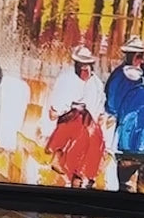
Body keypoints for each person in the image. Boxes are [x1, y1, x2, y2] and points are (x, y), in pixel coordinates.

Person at [105, 36, 144, 192]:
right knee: (125, 182)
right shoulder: (119, 76)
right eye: (138, 56)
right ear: (130, 56)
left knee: (142, 182)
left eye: (141, 56)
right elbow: (111, 103)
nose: (140, 60)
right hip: (127, 136)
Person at [45, 45, 106, 188]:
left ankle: (84, 176)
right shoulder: (66, 78)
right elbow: (57, 104)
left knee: (94, 140)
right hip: (70, 116)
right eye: (81, 63)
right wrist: (62, 109)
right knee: (78, 135)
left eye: (87, 64)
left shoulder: (96, 83)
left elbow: (99, 104)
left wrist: (97, 116)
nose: (84, 67)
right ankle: (68, 167)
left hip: (89, 120)